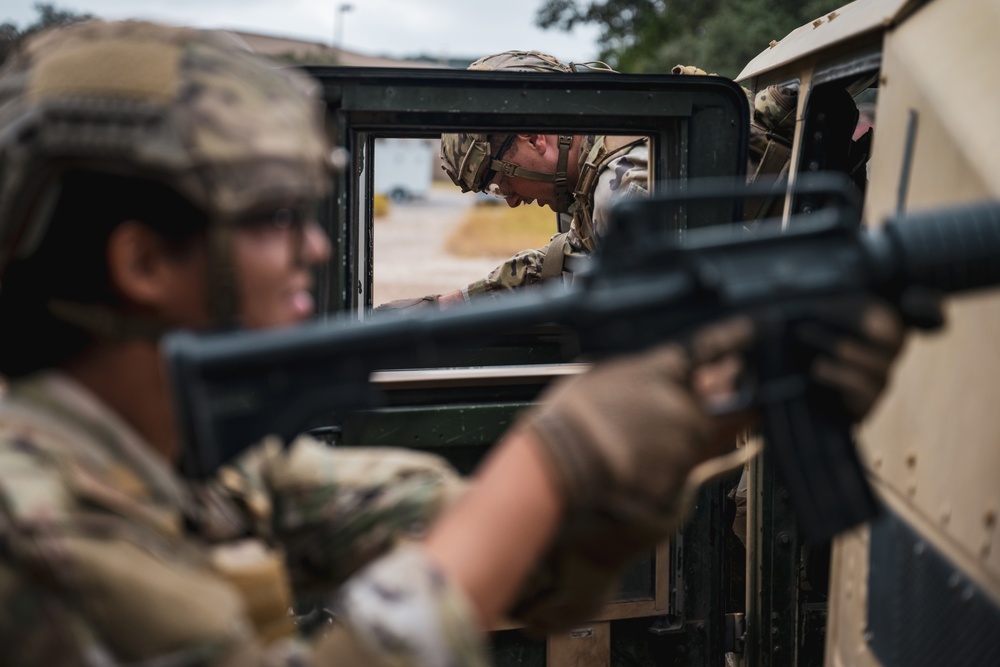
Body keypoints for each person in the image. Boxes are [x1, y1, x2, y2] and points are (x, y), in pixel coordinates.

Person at [0, 20, 915, 666]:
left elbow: (499, 550)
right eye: (277, 216)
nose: (316, 245)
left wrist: (666, 442)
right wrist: (561, 457)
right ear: (143, 261)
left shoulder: (193, 460)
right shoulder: (37, 533)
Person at [379, 50, 649, 309]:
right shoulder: (594, 175)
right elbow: (565, 259)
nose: (512, 201)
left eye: (501, 184)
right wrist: (446, 306)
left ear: (534, 138)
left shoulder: (619, 192)